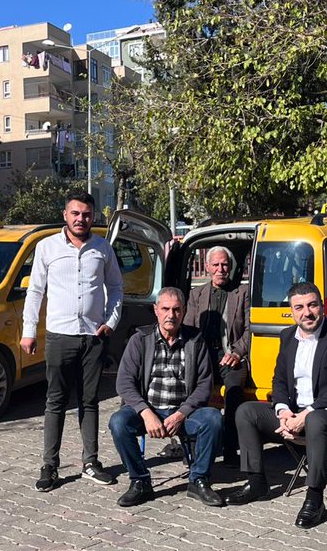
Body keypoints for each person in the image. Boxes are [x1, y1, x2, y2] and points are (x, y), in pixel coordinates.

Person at [227, 282, 327, 527]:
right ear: (292, 312)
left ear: (322, 307)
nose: (307, 312)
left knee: (315, 419)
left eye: (312, 305)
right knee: (246, 411)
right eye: (299, 307)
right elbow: (280, 380)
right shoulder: (287, 337)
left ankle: (314, 498)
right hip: (296, 415)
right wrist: (283, 411)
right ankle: (256, 482)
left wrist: (305, 415)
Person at [22, 191, 124, 492]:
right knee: (55, 401)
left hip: (93, 336)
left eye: (87, 214)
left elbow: (116, 288)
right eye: (76, 213)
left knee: (89, 401)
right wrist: (29, 330)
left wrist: (111, 322)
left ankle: (90, 462)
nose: (81, 219)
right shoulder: (47, 247)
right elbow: (35, 292)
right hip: (59, 335)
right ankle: (50, 466)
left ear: (93, 217)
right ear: (65, 215)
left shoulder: (102, 248)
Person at [109, 287, 224, 508]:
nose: (171, 315)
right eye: (165, 309)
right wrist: (146, 413)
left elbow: (204, 385)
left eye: (176, 310)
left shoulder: (195, 341)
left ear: (183, 312)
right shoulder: (139, 340)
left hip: (183, 412)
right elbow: (124, 383)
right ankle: (140, 481)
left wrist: (181, 414)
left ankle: (198, 480)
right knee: (118, 422)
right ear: (156, 310)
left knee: (213, 419)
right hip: (148, 409)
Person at [185, 246, 251, 464]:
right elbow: (188, 329)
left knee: (233, 392)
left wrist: (237, 352)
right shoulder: (196, 294)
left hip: (230, 357)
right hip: (203, 356)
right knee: (190, 391)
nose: (220, 269)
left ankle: (231, 449)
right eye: (216, 265)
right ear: (207, 268)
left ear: (230, 267)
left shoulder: (243, 293)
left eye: (224, 264)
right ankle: (194, 450)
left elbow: (250, 330)